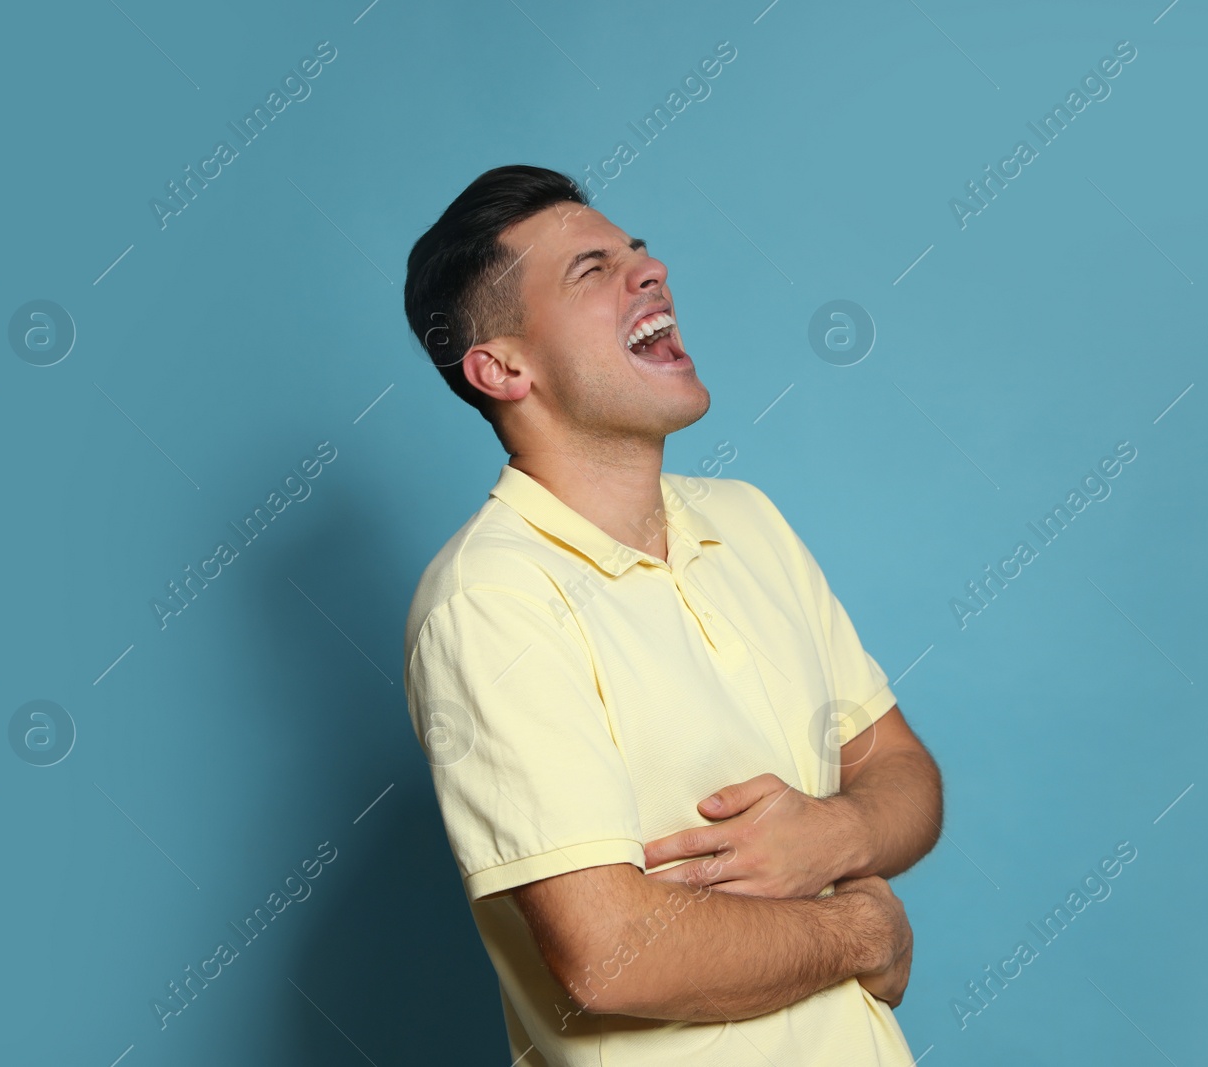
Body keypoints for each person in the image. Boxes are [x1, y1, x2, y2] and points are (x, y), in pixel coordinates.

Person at [401, 164, 943, 1067]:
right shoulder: (488, 601)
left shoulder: (748, 519)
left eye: (638, 255)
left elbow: (901, 770)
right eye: (591, 271)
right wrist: (862, 930)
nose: (649, 274)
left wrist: (833, 834)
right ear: (502, 367)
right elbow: (608, 956)